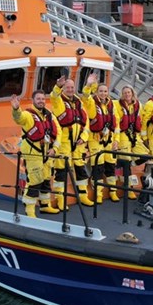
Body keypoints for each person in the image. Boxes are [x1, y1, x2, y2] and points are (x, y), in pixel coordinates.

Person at [11, 91, 61, 216]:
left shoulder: (50, 116)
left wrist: (54, 149)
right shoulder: (28, 115)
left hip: (48, 153)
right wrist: (16, 109)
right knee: (34, 182)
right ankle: (30, 211)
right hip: (33, 154)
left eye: (43, 99)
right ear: (33, 100)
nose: (41, 101)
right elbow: (19, 118)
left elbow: (58, 132)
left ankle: (45, 205)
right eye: (38, 99)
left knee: (46, 180)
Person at [50, 76, 94, 208]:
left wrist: (84, 137)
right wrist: (57, 86)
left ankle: (83, 196)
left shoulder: (79, 102)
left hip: (79, 143)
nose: (70, 89)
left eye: (72, 87)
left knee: (81, 170)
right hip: (64, 143)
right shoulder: (59, 101)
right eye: (67, 87)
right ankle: (61, 200)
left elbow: (86, 122)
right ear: (63, 88)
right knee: (61, 172)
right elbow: (53, 96)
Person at [81, 74, 120, 204]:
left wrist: (116, 140)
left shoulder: (111, 106)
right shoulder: (92, 104)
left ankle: (113, 192)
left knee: (110, 167)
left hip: (109, 140)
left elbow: (117, 125)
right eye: (101, 91)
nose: (103, 93)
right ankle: (98, 194)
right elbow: (86, 97)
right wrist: (88, 85)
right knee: (97, 167)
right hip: (95, 140)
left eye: (105, 91)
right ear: (97, 92)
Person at [116, 85, 148, 199]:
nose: (127, 95)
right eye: (124, 93)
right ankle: (128, 188)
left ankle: (130, 165)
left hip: (135, 136)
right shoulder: (117, 105)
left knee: (145, 155)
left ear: (132, 93)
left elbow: (143, 120)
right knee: (125, 162)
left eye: (128, 92)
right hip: (123, 135)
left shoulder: (138, 105)